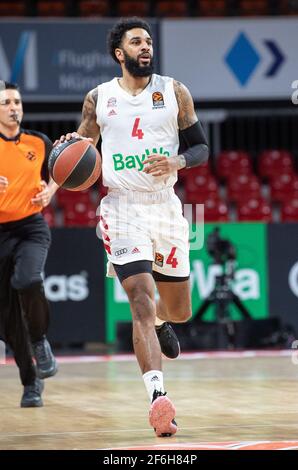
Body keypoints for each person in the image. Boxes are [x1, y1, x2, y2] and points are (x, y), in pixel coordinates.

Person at [56, 17, 209, 436]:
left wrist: (177, 161)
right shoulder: (98, 98)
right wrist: (67, 151)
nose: (146, 47)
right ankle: (159, 399)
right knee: (140, 298)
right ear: (119, 53)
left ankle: (163, 324)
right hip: (121, 208)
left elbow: (201, 147)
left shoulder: (174, 91)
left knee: (179, 309)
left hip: (166, 207)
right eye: (136, 42)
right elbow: (82, 148)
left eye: (148, 41)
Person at [0, 81, 58, 407]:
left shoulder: (39, 141)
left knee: (29, 280)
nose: (14, 107)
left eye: (17, 101)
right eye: (6, 102)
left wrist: (51, 190)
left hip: (31, 228)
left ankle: (40, 341)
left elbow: (61, 171)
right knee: (8, 319)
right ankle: (30, 381)